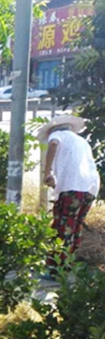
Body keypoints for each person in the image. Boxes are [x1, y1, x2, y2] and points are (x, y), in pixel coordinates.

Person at [40, 115, 100, 275]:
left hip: (72, 187)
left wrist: (47, 173)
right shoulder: (81, 141)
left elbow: (53, 144)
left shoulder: (57, 135)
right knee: (75, 225)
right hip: (90, 187)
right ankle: (68, 264)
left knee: (63, 227)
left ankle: (57, 269)